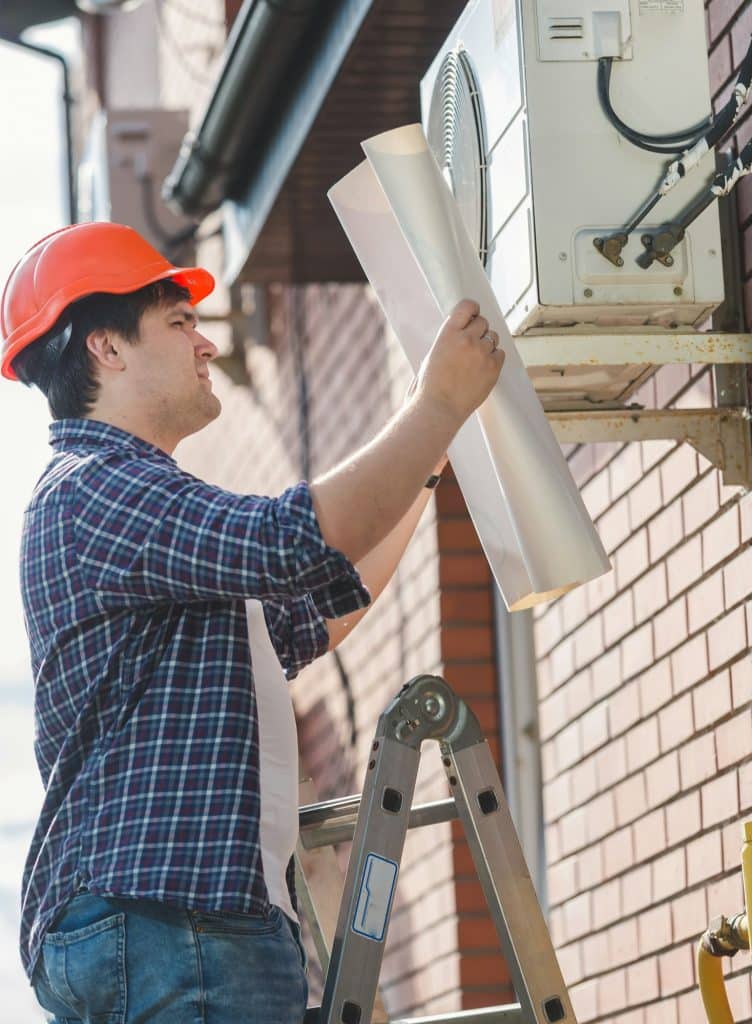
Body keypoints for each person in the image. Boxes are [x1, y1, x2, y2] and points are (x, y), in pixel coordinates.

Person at [1, 221, 503, 1023]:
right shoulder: (93, 489)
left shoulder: (142, 509)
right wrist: (433, 404)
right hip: (173, 922)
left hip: (177, 923)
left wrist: (429, 452)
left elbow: (314, 616)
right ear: (107, 347)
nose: (205, 344)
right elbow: (291, 540)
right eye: (179, 322)